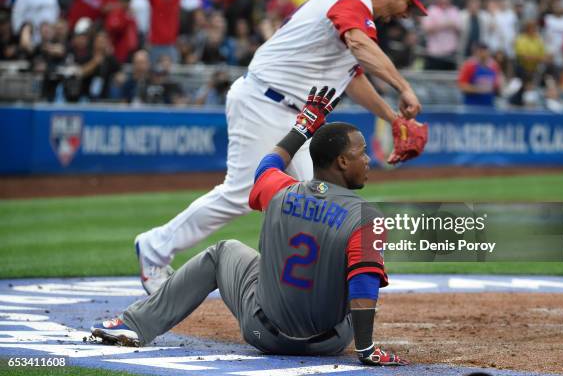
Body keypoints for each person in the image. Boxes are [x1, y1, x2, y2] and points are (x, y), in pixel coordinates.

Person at [135, 0, 427, 295]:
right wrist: (404, 87)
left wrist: (392, 118)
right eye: (408, 3)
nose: (406, 14)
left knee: (313, 197)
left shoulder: (357, 18)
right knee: (246, 192)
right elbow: (361, 47)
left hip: (293, 114)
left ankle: (305, 289)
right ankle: (154, 247)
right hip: (264, 101)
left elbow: (352, 79)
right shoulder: (352, 0)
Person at [92, 88, 408, 366]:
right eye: (360, 153)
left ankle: (133, 324)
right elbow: (364, 291)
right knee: (351, 266)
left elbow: (266, 166)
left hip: (262, 333)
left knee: (222, 252)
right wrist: (366, 350)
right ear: (341, 162)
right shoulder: (368, 216)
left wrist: (303, 126)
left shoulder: (279, 190)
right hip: (329, 343)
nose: (367, 159)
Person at [457, 42, 503, 107]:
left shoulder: (494, 66)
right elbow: (462, 86)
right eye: (480, 52)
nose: (483, 54)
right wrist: (479, 89)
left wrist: (499, 87)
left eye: (485, 51)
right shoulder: (469, 66)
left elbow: (497, 86)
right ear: (476, 52)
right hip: (471, 107)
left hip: (489, 107)